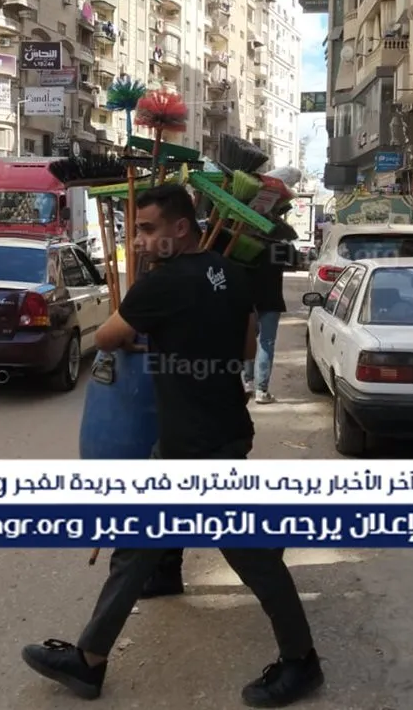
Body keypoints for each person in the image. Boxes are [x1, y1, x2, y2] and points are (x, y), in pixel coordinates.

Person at [21, 184, 322, 708]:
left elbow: (108, 337)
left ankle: (302, 662)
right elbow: (247, 344)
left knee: (251, 556)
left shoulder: (161, 285)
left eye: (147, 229)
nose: (138, 240)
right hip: (214, 432)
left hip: (200, 449)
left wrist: (150, 337)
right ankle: (89, 660)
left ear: (180, 228)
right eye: (136, 229)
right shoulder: (232, 273)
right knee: (136, 546)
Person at [244, 239, 295, 404]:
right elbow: (295, 261)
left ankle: (247, 382)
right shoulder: (280, 246)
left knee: (248, 339)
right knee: (266, 343)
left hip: (249, 301)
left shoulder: (246, 243)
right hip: (272, 301)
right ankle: (261, 390)